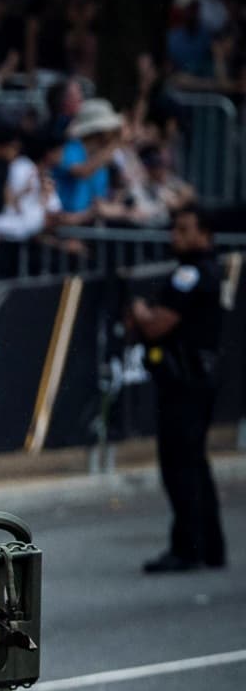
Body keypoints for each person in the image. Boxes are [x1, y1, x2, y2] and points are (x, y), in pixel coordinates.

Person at [126, 207, 227, 573]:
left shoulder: (191, 274)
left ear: (205, 235)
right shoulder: (204, 271)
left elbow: (156, 326)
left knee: (180, 465)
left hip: (185, 383)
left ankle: (188, 547)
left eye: (185, 230)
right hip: (195, 380)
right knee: (195, 463)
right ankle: (210, 547)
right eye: (174, 230)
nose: (176, 237)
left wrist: (139, 311)